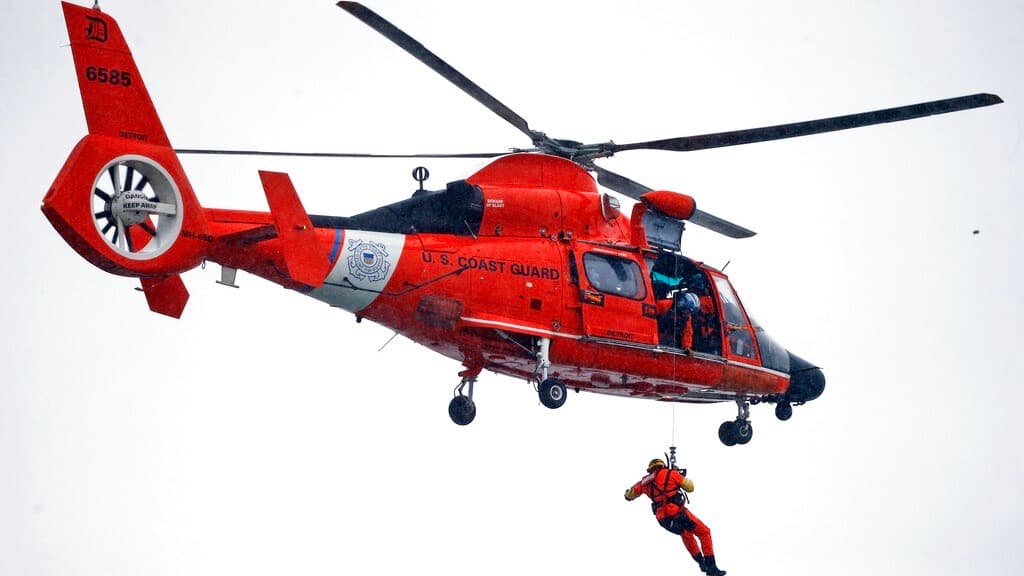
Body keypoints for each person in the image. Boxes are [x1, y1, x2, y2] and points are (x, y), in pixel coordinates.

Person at [624, 458, 726, 576]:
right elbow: (690, 487)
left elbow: (629, 495)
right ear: (663, 465)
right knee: (704, 532)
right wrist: (679, 476)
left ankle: (702, 563)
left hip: (664, 520)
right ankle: (712, 567)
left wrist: (628, 494)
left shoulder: (644, 483)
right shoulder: (671, 474)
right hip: (678, 514)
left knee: (685, 534)